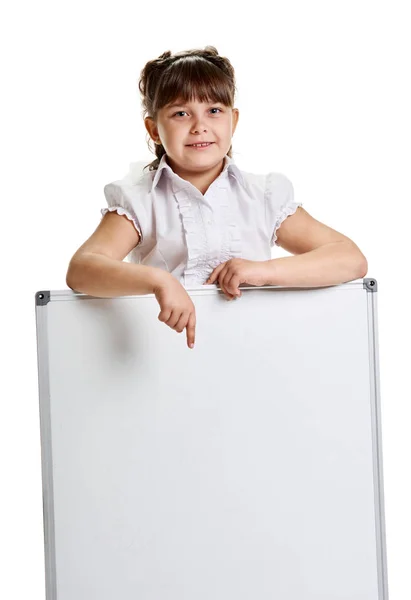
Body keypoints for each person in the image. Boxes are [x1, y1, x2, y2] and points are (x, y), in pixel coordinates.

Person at [66, 45, 368, 350]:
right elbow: (82, 270)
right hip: (162, 362)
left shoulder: (262, 197)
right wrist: (159, 281)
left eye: (214, 111)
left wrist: (263, 271)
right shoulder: (140, 201)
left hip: (257, 352)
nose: (200, 127)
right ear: (154, 129)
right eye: (181, 113)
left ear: (233, 121)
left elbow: (350, 259)